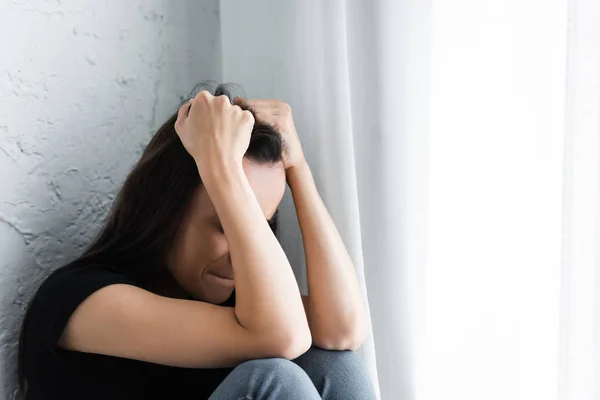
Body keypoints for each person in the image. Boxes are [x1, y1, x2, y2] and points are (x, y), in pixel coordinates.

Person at [18, 83, 375, 400]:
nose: (240, 256)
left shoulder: (243, 311)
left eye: (258, 227)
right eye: (225, 224)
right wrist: (219, 166)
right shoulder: (82, 300)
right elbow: (283, 337)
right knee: (271, 379)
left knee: (334, 365)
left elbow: (342, 329)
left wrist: (298, 168)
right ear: (166, 210)